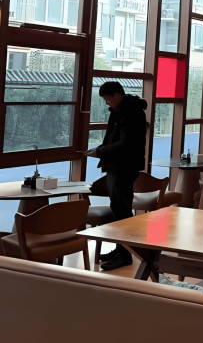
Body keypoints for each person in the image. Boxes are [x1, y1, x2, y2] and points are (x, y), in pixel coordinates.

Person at [84, 81, 148, 271]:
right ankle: (121, 249)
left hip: (123, 167)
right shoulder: (123, 110)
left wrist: (100, 152)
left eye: (107, 99)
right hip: (118, 166)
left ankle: (126, 254)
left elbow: (125, 144)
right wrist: (100, 151)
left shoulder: (131, 112)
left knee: (122, 212)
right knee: (119, 209)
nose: (107, 103)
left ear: (117, 95)